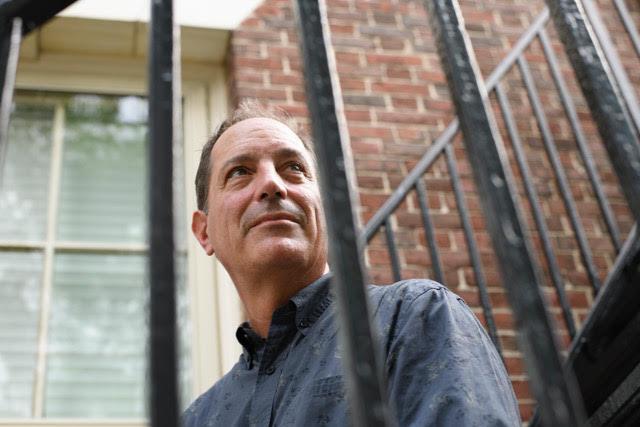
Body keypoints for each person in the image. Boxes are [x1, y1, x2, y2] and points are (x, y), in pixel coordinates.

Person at [183, 101, 521, 426]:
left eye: (294, 168)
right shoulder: (198, 418)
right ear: (204, 232)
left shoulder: (413, 318)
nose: (272, 184)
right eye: (240, 172)